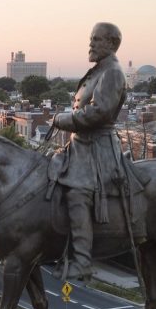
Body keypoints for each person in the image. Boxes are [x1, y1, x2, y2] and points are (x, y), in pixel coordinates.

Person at [51, 22, 128, 280]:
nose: (91, 44)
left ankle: (82, 260)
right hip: (80, 145)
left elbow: (99, 112)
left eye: (97, 39)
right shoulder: (97, 71)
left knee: (77, 193)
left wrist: (63, 119)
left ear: (111, 44)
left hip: (98, 150)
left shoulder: (113, 73)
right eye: (91, 39)